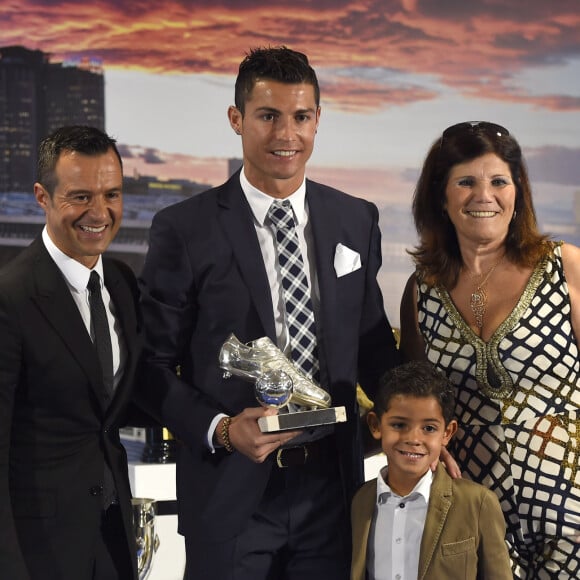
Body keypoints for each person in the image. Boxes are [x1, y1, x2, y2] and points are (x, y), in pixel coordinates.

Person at [139, 46, 399, 580]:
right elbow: (149, 367)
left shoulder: (355, 219)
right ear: (236, 120)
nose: (287, 134)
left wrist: (419, 429)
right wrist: (222, 429)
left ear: (318, 120)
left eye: (301, 117)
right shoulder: (184, 229)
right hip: (230, 490)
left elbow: (374, 348)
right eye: (268, 116)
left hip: (333, 489)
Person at [399, 121, 580, 578]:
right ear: (441, 195)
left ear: (518, 192)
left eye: (499, 181)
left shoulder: (564, 266)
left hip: (574, 511)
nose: (485, 196)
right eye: (466, 182)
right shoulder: (422, 290)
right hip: (478, 521)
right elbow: (419, 404)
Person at [0, 126, 143, 579]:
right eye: (80, 197)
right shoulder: (11, 297)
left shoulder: (121, 281)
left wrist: (219, 425)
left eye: (112, 194)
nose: (99, 212)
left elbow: (121, 401)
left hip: (113, 539)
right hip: (38, 550)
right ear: (43, 196)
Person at [351, 360, 511, 580]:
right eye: (399, 425)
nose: (413, 439)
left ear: (447, 432)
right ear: (375, 426)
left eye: (429, 428)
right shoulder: (361, 501)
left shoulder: (478, 503)